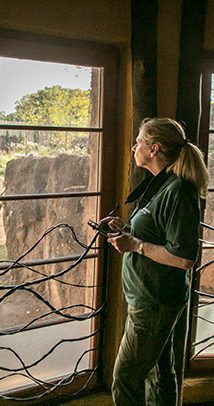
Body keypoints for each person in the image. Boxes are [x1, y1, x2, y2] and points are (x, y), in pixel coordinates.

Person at [102, 117, 209, 406]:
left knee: (125, 379)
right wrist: (125, 231)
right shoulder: (161, 185)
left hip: (155, 302)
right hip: (150, 298)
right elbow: (157, 236)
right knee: (160, 373)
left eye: (138, 142)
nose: (133, 146)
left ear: (154, 149)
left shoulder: (178, 191)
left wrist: (134, 244)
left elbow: (184, 258)